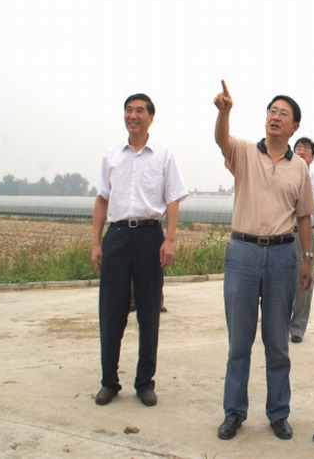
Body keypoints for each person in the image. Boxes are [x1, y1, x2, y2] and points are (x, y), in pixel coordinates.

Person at [213, 80, 314, 441]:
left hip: (281, 257)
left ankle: (278, 413)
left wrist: (307, 260)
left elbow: (304, 217)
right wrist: (224, 112)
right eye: (272, 111)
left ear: (294, 126)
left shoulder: (299, 168)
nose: (275, 117)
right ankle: (234, 412)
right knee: (239, 343)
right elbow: (221, 140)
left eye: (283, 114)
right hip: (242, 253)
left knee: (277, 342)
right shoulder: (244, 152)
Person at [91, 93, 188, 407]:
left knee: (149, 311)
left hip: (149, 238)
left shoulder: (163, 155)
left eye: (139, 111)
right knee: (111, 311)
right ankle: (109, 382)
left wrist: (169, 240)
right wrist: (96, 242)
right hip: (117, 237)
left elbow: (173, 199)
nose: (132, 115)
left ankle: (145, 382)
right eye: (128, 110)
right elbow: (102, 199)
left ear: (151, 117)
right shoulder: (112, 156)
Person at [289, 137, 314, 343]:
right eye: (298, 148)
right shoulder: (283, 174)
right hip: (282, 234)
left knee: (305, 282)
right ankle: (277, 324)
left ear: (312, 157)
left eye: (306, 149)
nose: (301, 151)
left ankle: (297, 328)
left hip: (304, 237)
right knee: (278, 281)